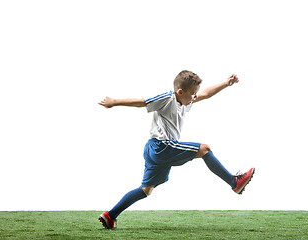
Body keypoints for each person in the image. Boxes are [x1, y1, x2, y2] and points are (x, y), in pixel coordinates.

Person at [98, 70, 255, 229]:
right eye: (193, 94)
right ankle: (234, 182)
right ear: (180, 92)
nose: (195, 97)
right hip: (162, 146)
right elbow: (143, 102)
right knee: (204, 149)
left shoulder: (186, 101)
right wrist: (114, 102)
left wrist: (226, 83)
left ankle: (110, 215)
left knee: (146, 190)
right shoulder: (167, 98)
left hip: (156, 150)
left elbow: (205, 94)